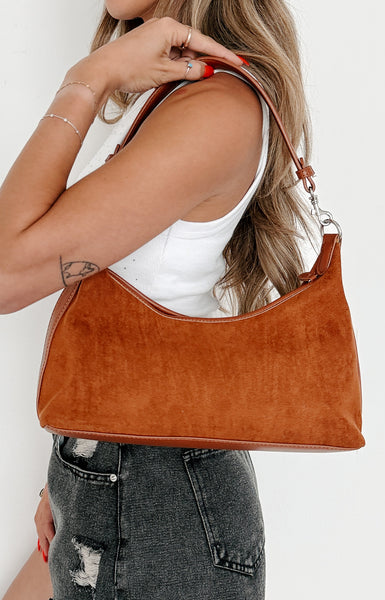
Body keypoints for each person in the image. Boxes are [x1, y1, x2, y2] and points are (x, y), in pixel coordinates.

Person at [1, 1, 316, 598]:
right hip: (116, 468)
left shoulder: (215, 109)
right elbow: (140, 294)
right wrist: (74, 469)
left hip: (158, 503)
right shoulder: (166, 98)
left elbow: (6, 274)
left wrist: (86, 79)